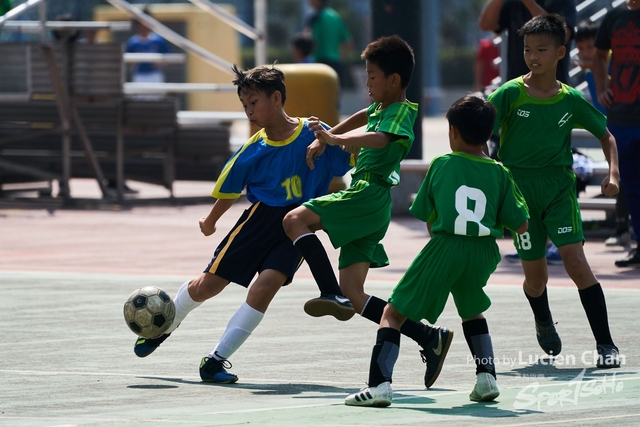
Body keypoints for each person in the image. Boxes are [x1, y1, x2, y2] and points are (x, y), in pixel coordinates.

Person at [132, 64, 354, 383]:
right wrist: (210, 221)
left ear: (276, 98)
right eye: (244, 105)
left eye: (254, 103)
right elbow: (229, 190)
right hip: (257, 222)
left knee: (264, 289)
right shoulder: (254, 149)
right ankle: (163, 325)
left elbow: (351, 152)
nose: (249, 111)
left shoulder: (315, 133)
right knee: (207, 286)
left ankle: (215, 360)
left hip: (297, 227)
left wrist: (333, 139)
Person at [283, 35, 453, 390]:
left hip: (366, 195)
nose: (367, 82)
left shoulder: (402, 113)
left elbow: (379, 138)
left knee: (294, 219)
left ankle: (329, 292)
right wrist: (326, 135)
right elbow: (364, 115)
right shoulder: (381, 107)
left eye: (372, 76)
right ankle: (428, 337)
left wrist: (335, 140)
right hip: (372, 207)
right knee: (356, 294)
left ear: (394, 80)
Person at [344, 95, 529, 407]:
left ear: (453, 132)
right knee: (472, 309)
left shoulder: (443, 164)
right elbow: (520, 224)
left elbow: (429, 218)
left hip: (446, 246)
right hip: (484, 252)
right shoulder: (501, 172)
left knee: (392, 313)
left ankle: (379, 385)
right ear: (487, 134)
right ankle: (487, 378)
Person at [487, 14, 621, 368]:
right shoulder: (510, 93)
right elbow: (479, 129)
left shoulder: (571, 99)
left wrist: (614, 174)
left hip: (558, 189)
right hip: (519, 192)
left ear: (561, 52)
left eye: (542, 49)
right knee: (536, 279)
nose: (533, 56)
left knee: (576, 263)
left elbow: (606, 137)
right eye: (528, 50)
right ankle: (543, 321)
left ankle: (606, 345)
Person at [575, 19, 631, 248]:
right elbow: (601, 109)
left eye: (590, 47)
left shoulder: (617, 67)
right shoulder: (591, 74)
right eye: (580, 49)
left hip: (626, 130)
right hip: (615, 134)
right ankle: (622, 230)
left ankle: (624, 230)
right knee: (623, 179)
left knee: (627, 180)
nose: (585, 53)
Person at [593, 0, 640, 266]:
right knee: (632, 187)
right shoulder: (615, 17)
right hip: (622, 116)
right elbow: (599, 55)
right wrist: (601, 87)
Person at [478, 0, 577, 84]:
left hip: (552, 91)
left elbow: (563, 35)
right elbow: (486, 25)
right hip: (517, 89)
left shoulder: (561, 2)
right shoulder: (514, 3)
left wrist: (529, 3)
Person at [306, 0, 353, 88]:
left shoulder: (316, 18)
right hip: (336, 64)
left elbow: (312, 42)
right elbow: (348, 42)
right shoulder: (335, 16)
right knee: (334, 98)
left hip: (320, 65)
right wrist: (342, 58)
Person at [126, 13, 169, 83]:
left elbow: (168, 57)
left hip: (155, 75)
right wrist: (133, 62)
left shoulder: (158, 40)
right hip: (139, 75)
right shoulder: (133, 42)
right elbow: (126, 62)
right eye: (141, 23)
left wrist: (160, 63)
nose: (144, 26)